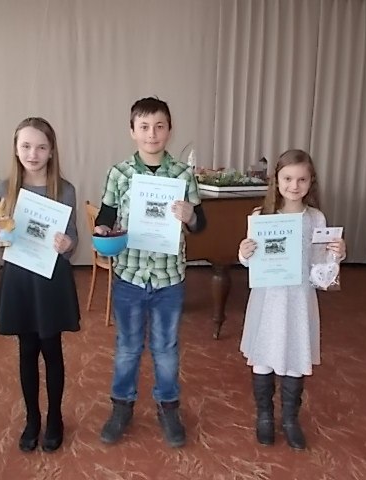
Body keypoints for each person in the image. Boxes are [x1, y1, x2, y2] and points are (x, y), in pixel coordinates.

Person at [94, 97, 207, 448]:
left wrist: (190, 216)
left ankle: (168, 407)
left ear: (170, 130)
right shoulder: (119, 173)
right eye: (144, 127)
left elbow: (200, 225)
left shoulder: (183, 175)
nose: (152, 134)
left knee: (166, 348)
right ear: (132, 131)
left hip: (168, 279)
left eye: (159, 126)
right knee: (127, 347)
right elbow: (106, 216)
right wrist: (101, 230)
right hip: (129, 275)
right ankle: (121, 407)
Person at [237, 149, 346, 450]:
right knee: (263, 357)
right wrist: (244, 253)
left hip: (299, 300)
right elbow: (250, 262)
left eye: (301, 179)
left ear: (311, 182)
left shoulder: (316, 218)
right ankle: (264, 416)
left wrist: (336, 255)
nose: (294, 186)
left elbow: (321, 270)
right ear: (277, 180)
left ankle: (289, 419)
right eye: (287, 178)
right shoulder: (261, 217)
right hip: (268, 300)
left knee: (295, 358)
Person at [0, 117, 80, 453]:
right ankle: (32, 419)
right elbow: (2, 238)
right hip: (20, 279)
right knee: (26, 350)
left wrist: (67, 244)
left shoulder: (64, 189)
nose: (33, 153)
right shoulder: (4, 189)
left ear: (52, 151)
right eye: (25, 146)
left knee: (51, 349)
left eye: (41, 147)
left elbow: (73, 238)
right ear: (15, 149)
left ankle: (55, 418)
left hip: (51, 279)